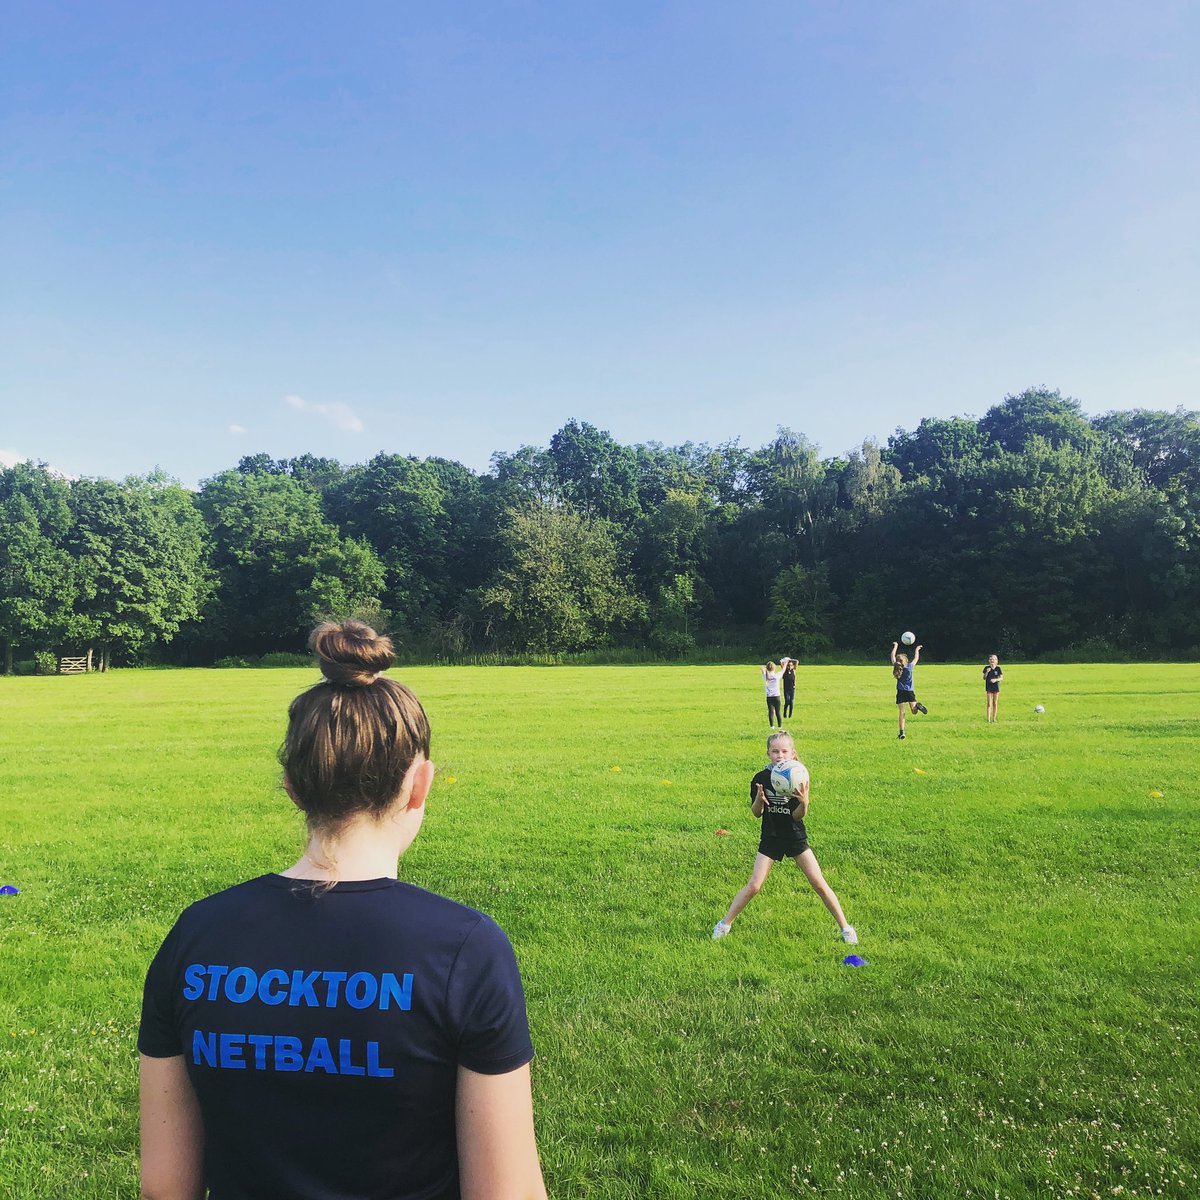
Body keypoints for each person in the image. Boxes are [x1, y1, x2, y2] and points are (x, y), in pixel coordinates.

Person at [138, 620, 547, 1200]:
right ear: (420, 785)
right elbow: (506, 1192)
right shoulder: (464, 949)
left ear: (292, 785)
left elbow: (164, 1186)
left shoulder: (196, 934)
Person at [712, 730, 857, 945]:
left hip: (794, 836)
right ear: (768, 753)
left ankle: (846, 928)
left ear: (793, 753)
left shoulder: (799, 776)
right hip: (771, 837)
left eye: (784, 751)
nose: (779, 755)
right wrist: (759, 799)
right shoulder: (761, 779)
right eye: (775, 751)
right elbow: (756, 813)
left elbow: (796, 816)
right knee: (754, 886)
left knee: (818, 883)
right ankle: (724, 924)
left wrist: (804, 803)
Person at [890, 641, 928, 740]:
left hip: (900, 692)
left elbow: (892, 656)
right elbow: (916, 658)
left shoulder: (896, 667)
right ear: (906, 661)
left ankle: (902, 733)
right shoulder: (910, 667)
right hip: (910, 692)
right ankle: (918, 706)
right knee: (914, 711)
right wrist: (917, 650)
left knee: (902, 712)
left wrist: (895, 646)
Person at [761, 661, 783, 727]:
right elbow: (783, 670)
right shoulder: (777, 675)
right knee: (778, 712)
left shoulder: (765, 676)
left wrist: (763, 669)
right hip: (777, 696)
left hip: (769, 697)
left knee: (771, 712)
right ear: (774, 668)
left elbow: (763, 671)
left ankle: (772, 726)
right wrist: (784, 664)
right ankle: (780, 726)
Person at [983, 653, 1003, 722]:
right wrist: (987, 672)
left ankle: (994, 719)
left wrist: (996, 680)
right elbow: (984, 678)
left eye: (994, 659)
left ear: (996, 661)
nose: (992, 660)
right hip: (989, 687)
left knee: (995, 703)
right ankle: (988, 719)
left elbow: (1001, 678)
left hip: (996, 687)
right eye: (991, 659)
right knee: (989, 703)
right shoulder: (986, 668)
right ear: (989, 661)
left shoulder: (998, 668)